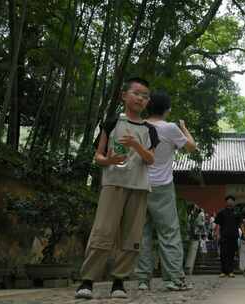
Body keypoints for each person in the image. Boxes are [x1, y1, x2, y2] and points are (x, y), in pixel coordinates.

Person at [75, 77, 159, 299]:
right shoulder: (111, 123)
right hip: (113, 183)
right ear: (124, 95)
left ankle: (119, 282)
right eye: (136, 93)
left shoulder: (150, 130)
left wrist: (136, 145)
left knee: (131, 235)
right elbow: (99, 156)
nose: (141, 98)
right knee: (103, 230)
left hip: (139, 186)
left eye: (145, 96)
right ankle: (87, 281)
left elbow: (150, 159)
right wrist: (109, 161)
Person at [135, 91, 197, 292]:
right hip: (162, 186)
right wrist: (184, 128)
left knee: (142, 233)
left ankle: (143, 279)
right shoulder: (170, 128)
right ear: (167, 110)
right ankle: (173, 279)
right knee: (168, 232)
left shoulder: (139, 126)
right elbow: (191, 147)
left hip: (139, 184)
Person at [214, 195, 241, 278]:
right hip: (224, 236)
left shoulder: (237, 213)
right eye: (228, 201)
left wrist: (244, 234)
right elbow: (218, 224)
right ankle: (223, 271)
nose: (230, 202)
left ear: (233, 202)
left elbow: (240, 224)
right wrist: (217, 234)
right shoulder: (221, 212)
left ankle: (231, 271)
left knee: (231, 254)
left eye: (231, 201)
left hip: (233, 236)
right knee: (223, 254)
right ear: (226, 202)